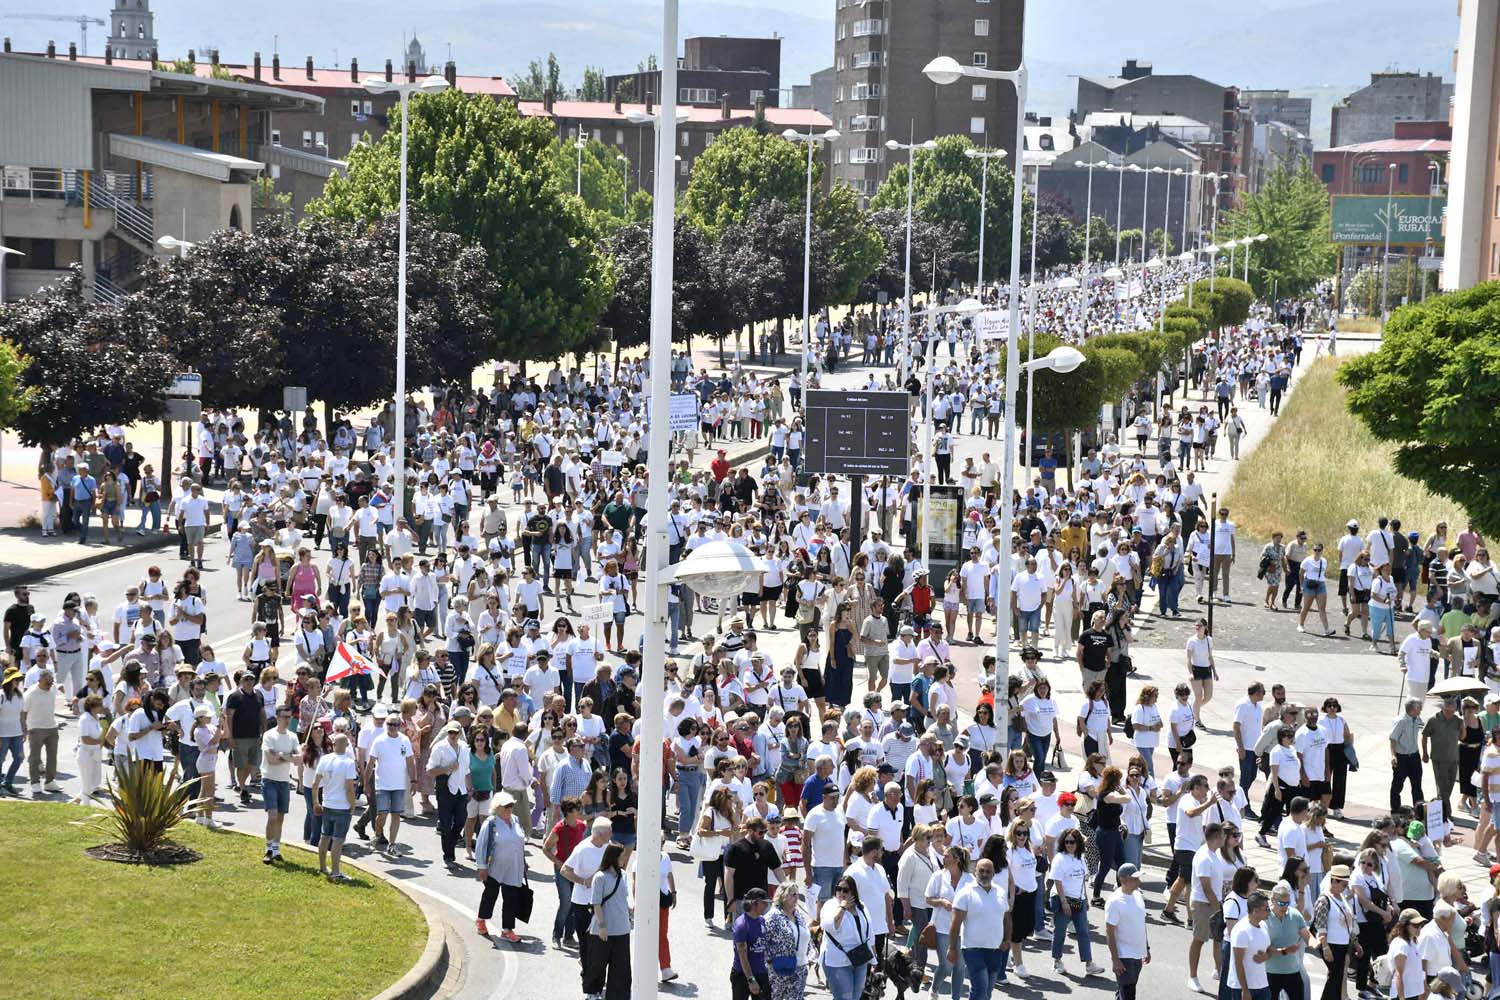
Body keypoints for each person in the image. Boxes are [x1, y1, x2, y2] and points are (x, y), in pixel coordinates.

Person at [949, 856, 1013, 997]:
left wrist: (1007, 940)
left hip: (995, 949)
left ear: (993, 874)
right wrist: (952, 948)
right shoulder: (965, 893)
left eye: (988, 871)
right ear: (975, 872)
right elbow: (955, 923)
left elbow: (1007, 919)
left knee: (988, 991)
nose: (984, 874)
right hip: (973, 949)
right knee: (980, 989)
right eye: (981, 871)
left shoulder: (1001, 893)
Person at [473, 792, 529, 943]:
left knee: (511, 898)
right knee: (490, 895)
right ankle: (481, 919)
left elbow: (519, 843)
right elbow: (481, 846)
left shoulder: (516, 820)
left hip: (514, 867)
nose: (509, 809)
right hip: (495, 867)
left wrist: (523, 862)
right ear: (497, 808)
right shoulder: (491, 823)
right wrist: (482, 867)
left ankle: (507, 930)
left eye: (511, 806)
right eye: (506, 806)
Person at [1050, 826, 1103, 975]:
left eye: (1072, 842)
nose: (1069, 844)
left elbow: (1081, 880)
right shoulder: (1059, 859)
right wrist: (1064, 902)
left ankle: (1089, 964)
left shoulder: (1080, 858)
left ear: (1078, 843)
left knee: (1083, 932)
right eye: (1066, 842)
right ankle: (1057, 961)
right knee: (1060, 932)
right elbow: (1057, 882)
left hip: (1078, 900)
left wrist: (1085, 898)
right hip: (1062, 900)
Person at [583, 842, 632, 1000]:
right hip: (603, 930)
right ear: (613, 858)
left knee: (621, 967)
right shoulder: (600, 877)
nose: (624, 860)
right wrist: (602, 926)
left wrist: (630, 909)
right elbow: (596, 903)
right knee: (598, 963)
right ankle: (592, 992)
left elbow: (624, 897)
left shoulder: (623, 875)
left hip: (622, 928)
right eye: (621, 857)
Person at [366, 710, 417, 854]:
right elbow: (370, 763)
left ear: (400, 725)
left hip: (399, 784)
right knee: (382, 814)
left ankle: (392, 844)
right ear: (386, 725)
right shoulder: (379, 741)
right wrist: (366, 784)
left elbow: (410, 762)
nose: (393, 726)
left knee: (396, 814)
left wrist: (414, 781)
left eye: (395, 724)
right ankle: (377, 834)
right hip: (382, 783)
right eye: (390, 724)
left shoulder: (405, 740)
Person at [312, 730, 359, 881]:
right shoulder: (348, 762)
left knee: (325, 836)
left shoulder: (325, 759)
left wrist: (316, 802)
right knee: (338, 839)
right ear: (346, 745)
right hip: (342, 806)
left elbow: (315, 783)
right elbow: (349, 788)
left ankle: (322, 866)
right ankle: (336, 871)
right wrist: (352, 805)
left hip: (327, 803)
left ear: (333, 745)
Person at [820, 875, 877, 1000]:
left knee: (855, 997)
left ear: (853, 892)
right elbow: (829, 925)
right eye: (838, 889)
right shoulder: (830, 905)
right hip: (837, 961)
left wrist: (874, 958)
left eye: (845, 890)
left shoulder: (861, 906)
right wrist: (842, 908)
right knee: (844, 998)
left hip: (859, 959)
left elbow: (869, 933)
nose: (841, 893)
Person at [428, 720, 473, 865]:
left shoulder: (465, 748)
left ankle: (450, 844)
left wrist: (470, 787)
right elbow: (430, 770)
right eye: (450, 732)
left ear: (460, 733)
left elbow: (466, 770)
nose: (453, 735)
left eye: (455, 732)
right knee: (446, 824)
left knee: (461, 820)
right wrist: (447, 768)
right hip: (445, 790)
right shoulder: (439, 748)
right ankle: (448, 855)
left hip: (461, 790)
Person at [1105, 862, 1151, 1000]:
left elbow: (1141, 923)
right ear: (1123, 880)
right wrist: (1115, 960)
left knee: (1124, 992)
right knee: (1128, 994)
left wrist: (1146, 948)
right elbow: (1109, 932)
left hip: (1138, 954)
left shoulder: (1138, 895)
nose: (1139, 881)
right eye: (1135, 878)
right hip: (1124, 957)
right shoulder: (1114, 902)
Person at [260, 703, 300, 863]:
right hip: (269, 779)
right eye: (284, 717)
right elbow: (271, 759)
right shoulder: (269, 735)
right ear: (277, 717)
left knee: (280, 818)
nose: (287, 720)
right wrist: (288, 756)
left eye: (289, 717)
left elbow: (299, 759)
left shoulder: (292, 736)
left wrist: (282, 755)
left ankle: (276, 849)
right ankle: (268, 849)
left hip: (284, 781)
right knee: (273, 816)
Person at [765, 880, 811, 1000]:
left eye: (797, 894)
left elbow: (806, 936)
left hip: (800, 968)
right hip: (780, 969)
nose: (796, 897)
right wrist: (770, 961)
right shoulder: (773, 916)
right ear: (783, 896)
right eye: (793, 894)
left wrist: (810, 957)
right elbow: (764, 940)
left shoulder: (798, 915)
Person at [1228, 891, 1273, 1000]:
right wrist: (1245, 990)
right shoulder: (1241, 931)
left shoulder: (1263, 925)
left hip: (1262, 984)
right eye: (1266, 909)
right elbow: (1238, 963)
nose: (1269, 911)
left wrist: (1267, 956)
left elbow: (1270, 948)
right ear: (1255, 910)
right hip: (1243, 988)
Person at [731, 886, 774, 1000]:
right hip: (742, 976)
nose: (766, 906)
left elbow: (764, 946)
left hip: (761, 972)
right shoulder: (742, 925)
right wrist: (751, 979)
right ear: (754, 903)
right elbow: (742, 956)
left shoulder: (762, 920)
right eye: (764, 903)